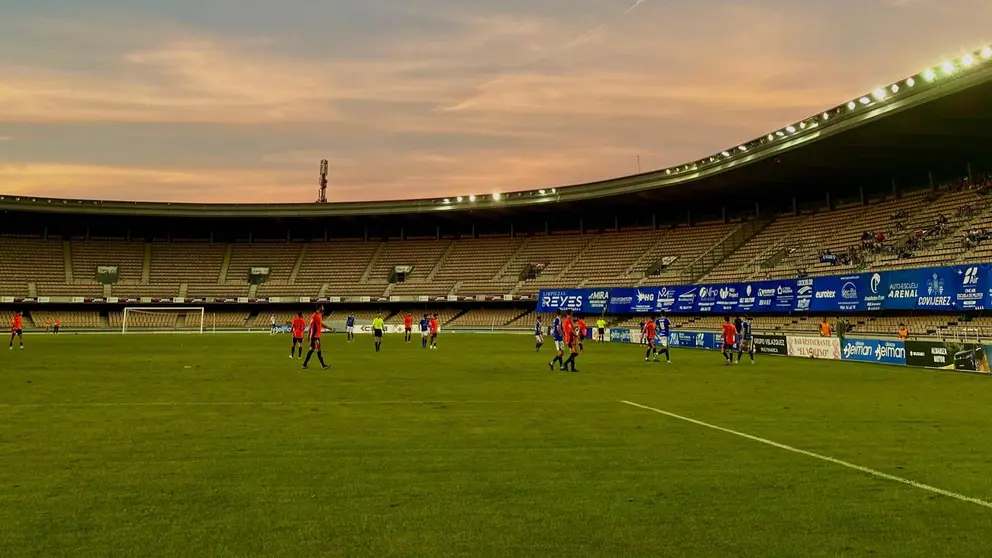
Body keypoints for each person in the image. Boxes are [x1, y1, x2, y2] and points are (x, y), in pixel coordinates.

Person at [302, 306, 330, 370]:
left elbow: (320, 324)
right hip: (315, 337)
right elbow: (311, 326)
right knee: (318, 350)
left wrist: (328, 327)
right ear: (319, 310)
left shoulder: (319, 315)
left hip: (316, 336)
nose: (322, 313)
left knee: (311, 350)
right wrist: (309, 336)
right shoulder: (314, 316)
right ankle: (323, 366)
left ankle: (304, 364)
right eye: (322, 311)